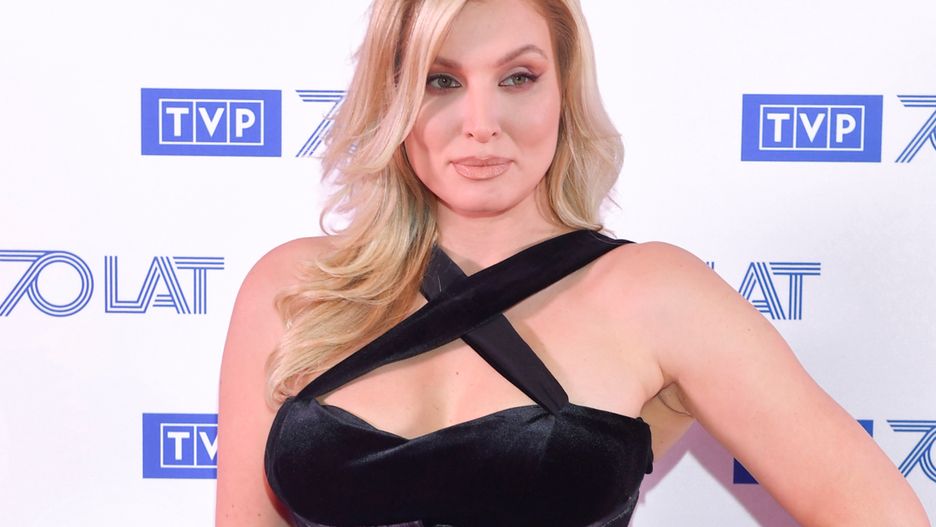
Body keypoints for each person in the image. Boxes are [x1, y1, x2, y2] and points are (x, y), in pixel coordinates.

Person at [216, 0, 931, 525]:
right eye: (441, 80)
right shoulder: (294, 290)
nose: (481, 124)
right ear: (394, 96)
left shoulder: (654, 295)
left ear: (564, 89)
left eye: (517, 78)